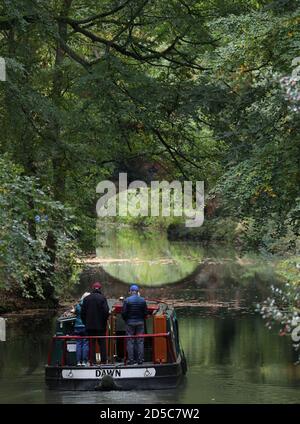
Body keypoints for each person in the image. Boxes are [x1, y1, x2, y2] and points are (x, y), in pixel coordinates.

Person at [81, 282, 109, 364]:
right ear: (100, 289)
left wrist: (85, 323)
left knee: (91, 344)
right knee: (102, 344)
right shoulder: (103, 298)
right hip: (101, 327)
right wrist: (104, 322)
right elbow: (106, 312)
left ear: (93, 288)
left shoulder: (86, 299)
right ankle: (104, 361)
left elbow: (83, 313)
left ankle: (92, 361)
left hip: (89, 326)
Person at [122, 284, 148, 365]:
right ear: (137, 292)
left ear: (130, 292)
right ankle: (140, 360)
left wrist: (126, 320)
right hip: (140, 323)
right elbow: (145, 313)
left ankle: (131, 360)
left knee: (130, 341)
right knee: (140, 341)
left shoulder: (127, 300)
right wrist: (142, 319)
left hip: (130, 323)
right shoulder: (143, 300)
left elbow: (123, 313)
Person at [73, 292, 90, 366]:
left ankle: (78, 362)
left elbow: (75, 313)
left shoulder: (78, 305)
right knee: (85, 343)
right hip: (85, 327)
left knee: (78, 344)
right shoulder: (89, 306)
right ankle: (84, 361)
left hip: (77, 327)